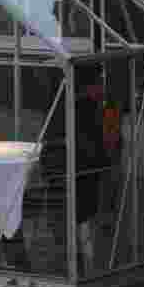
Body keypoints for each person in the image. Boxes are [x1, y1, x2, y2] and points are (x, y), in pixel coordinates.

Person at [32, 63, 111, 275]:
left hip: (62, 175)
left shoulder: (66, 105)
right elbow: (92, 150)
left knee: (69, 226)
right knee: (78, 225)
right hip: (76, 178)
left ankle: (77, 266)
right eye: (100, 84)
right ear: (89, 86)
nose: (103, 89)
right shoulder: (83, 109)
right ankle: (82, 268)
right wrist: (105, 162)